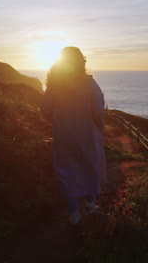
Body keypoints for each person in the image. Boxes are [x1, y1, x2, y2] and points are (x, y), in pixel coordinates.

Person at [41, 47, 106, 224]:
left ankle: (73, 214)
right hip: (88, 132)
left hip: (63, 133)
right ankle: (90, 205)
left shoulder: (54, 84)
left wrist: (56, 119)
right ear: (81, 61)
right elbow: (98, 110)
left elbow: (44, 108)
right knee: (89, 166)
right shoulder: (89, 83)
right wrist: (100, 128)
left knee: (67, 170)